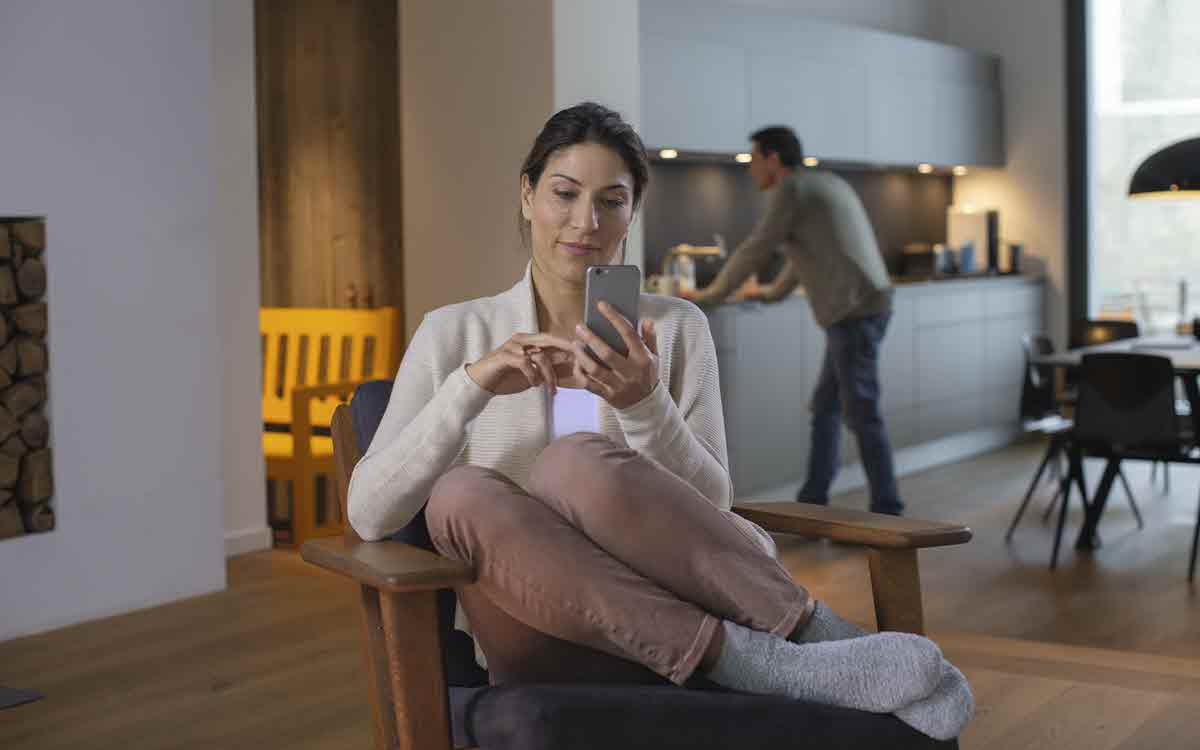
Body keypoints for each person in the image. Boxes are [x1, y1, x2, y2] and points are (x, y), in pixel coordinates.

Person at [347, 103, 970, 740]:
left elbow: (712, 504)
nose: (585, 222)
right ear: (528, 195)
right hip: (545, 630)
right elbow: (369, 514)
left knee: (574, 461)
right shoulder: (455, 335)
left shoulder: (675, 329)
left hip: (694, 600)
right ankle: (769, 663)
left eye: (611, 202)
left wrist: (644, 403)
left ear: (631, 214)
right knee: (459, 493)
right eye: (564, 193)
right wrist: (470, 388)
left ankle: (799, 643)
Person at [689, 126, 904, 517]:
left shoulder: (790, 191)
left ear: (772, 159)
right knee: (826, 406)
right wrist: (772, 294)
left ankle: (888, 512)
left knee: (861, 413)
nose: (750, 169)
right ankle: (813, 502)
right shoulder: (823, 183)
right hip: (866, 306)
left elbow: (757, 248)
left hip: (853, 313)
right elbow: (803, 254)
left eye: (752, 159)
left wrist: (707, 297)